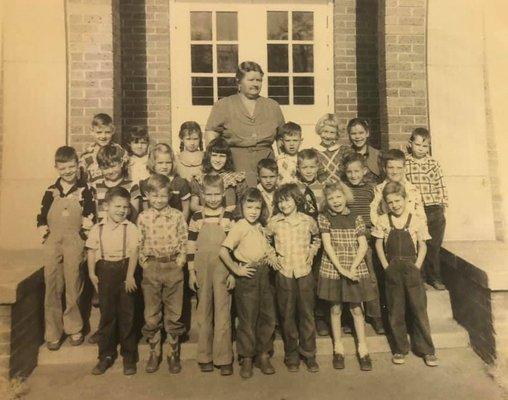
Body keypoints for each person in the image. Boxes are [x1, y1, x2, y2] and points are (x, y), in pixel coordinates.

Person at [372, 181, 438, 367]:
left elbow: (423, 245)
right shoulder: (383, 220)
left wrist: (417, 265)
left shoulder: (415, 219)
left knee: (418, 309)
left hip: (412, 270)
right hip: (392, 271)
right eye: (390, 202)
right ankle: (400, 349)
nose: (395, 205)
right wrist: (386, 266)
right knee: (396, 310)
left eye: (398, 200)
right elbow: (378, 244)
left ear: (405, 199)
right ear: (386, 203)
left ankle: (427, 350)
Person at [37, 146, 96, 350]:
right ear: (56, 168)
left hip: (74, 242)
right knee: (52, 284)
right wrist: (43, 228)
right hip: (53, 242)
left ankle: (74, 327)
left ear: (77, 165)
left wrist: (85, 230)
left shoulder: (84, 190)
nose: (68, 171)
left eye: (72, 167)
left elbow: (90, 215)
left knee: (73, 284)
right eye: (63, 168)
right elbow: (42, 215)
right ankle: (53, 331)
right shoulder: (50, 191)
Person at [220, 188, 279, 379]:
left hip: (264, 274)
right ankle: (246, 357)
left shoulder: (260, 226)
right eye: (249, 207)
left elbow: (265, 247)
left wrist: (271, 257)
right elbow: (223, 251)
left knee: (267, 316)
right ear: (242, 207)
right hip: (248, 275)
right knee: (247, 318)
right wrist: (236, 270)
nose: (253, 211)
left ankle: (263, 355)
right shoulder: (240, 226)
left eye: (257, 207)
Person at [317, 181, 375, 371]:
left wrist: (352, 267)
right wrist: (342, 270)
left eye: (339, 196)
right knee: (335, 309)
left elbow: (363, 246)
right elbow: (328, 246)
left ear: (345, 197)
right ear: (326, 201)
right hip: (334, 267)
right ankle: (338, 348)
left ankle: (363, 349)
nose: (335, 201)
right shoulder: (324, 218)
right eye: (331, 198)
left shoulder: (356, 217)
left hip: (354, 265)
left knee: (357, 309)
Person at [266, 183, 321, 373]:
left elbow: (317, 238)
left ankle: (309, 354)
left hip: (304, 271)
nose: (284, 205)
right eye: (280, 202)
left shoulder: (307, 221)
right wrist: (272, 257)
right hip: (284, 273)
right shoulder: (274, 222)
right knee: (287, 314)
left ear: (296, 200)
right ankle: (292, 355)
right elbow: (265, 241)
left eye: (287, 200)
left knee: (306, 313)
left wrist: (312, 252)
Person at [86, 186, 141, 375]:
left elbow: (134, 252)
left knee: (127, 316)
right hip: (105, 272)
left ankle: (129, 356)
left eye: (125, 207)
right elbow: (91, 251)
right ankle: (105, 355)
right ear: (106, 206)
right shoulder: (97, 228)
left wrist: (130, 275)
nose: (122, 211)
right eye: (117, 206)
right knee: (107, 316)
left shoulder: (131, 228)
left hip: (125, 271)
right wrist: (92, 274)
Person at [137, 174, 188, 374]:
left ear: (169, 195)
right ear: (147, 195)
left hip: (173, 267)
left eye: (163, 196)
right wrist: (145, 262)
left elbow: (184, 239)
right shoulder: (143, 218)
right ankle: (154, 350)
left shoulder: (176, 216)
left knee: (174, 312)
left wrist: (180, 259)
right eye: (154, 196)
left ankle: (172, 352)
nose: (159, 200)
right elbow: (139, 242)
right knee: (151, 313)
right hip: (152, 268)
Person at [205, 61, 285, 186]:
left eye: (258, 80)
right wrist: (215, 167)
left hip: (266, 168)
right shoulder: (224, 105)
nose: (255, 84)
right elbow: (211, 136)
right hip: (235, 165)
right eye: (251, 80)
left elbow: (282, 139)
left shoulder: (272, 106)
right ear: (239, 81)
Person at [187, 174, 236, 376]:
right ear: (202, 195)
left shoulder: (229, 217)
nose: (213, 198)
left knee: (223, 312)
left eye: (217, 194)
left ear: (224, 194)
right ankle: (205, 356)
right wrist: (191, 272)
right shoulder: (197, 217)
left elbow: (235, 247)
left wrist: (233, 272)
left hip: (223, 269)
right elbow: (190, 246)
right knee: (204, 311)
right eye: (209, 194)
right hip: (202, 269)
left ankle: (224, 357)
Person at [343, 153, 384, 335]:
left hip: (366, 236)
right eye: (349, 172)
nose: (353, 175)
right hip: (347, 238)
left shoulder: (371, 189)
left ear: (364, 171)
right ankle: (349, 318)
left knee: (371, 277)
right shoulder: (343, 189)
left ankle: (375, 316)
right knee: (348, 277)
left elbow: (378, 211)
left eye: (357, 171)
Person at [405, 128, 448, 290]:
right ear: (410, 144)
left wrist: (442, 204)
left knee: (434, 245)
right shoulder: (406, 163)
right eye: (418, 145)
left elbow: (441, 184)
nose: (421, 149)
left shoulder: (433, 163)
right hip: (416, 209)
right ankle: (420, 278)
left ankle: (435, 277)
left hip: (433, 208)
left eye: (425, 146)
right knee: (418, 244)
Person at [295, 148, 328, 336]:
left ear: (318, 167)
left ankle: (320, 316)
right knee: (304, 279)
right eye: (304, 167)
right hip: (300, 239)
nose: (308, 170)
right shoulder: (295, 188)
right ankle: (303, 317)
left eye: (311, 167)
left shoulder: (323, 188)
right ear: (298, 168)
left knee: (319, 277)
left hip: (320, 238)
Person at [189, 137, 247, 215]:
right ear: (209, 156)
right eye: (214, 155)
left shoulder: (235, 178)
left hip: (230, 218)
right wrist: (213, 211)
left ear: (227, 158)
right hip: (206, 217)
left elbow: (243, 203)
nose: (218, 160)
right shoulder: (199, 178)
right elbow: (193, 206)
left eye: (222, 156)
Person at [370, 149, 426, 228]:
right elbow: (373, 211)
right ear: (384, 169)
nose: (395, 172)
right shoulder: (379, 189)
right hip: (387, 232)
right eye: (390, 167)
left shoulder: (413, 189)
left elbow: (421, 215)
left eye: (399, 168)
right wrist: (380, 228)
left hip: (410, 232)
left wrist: (420, 235)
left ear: (404, 168)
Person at [137, 143, 191, 221]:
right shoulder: (146, 184)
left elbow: (186, 210)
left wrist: (179, 226)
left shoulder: (180, 183)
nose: (164, 166)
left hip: (176, 223)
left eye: (168, 163)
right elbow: (146, 210)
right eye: (160, 163)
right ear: (153, 163)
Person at [93, 144, 140, 223]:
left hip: (125, 230)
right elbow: (96, 213)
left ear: (121, 163)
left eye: (113, 166)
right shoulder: (96, 186)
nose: (110, 171)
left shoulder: (132, 186)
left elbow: (134, 215)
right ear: (100, 168)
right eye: (106, 168)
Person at [79, 113, 129, 184]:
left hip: (116, 192)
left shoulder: (120, 153)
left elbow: (127, 176)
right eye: (99, 132)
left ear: (113, 131)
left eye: (107, 132)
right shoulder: (86, 156)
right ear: (92, 132)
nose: (103, 136)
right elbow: (83, 181)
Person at [314, 113, 352, 183]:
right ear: (320, 131)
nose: (328, 136)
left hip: (341, 189)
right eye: (325, 131)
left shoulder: (344, 151)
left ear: (337, 134)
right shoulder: (314, 152)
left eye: (332, 132)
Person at [346, 118, 382, 183]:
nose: (357, 137)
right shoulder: (346, 155)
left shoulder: (377, 155)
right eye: (353, 133)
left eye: (361, 133)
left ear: (367, 133)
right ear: (349, 135)